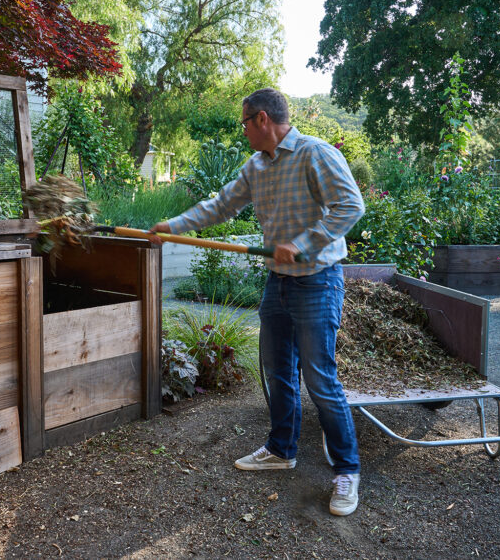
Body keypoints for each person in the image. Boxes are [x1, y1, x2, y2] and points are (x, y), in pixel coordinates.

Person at [148, 87, 365, 516]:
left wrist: (304, 242)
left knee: (320, 379)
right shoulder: (257, 166)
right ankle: (282, 449)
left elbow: (350, 206)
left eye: (244, 123)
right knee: (276, 372)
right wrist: (174, 224)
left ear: (262, 119)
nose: (243, 131)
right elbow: (221, 204)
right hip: (278, 284)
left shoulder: (314, 154)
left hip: (317, 282)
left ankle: (347, 470)